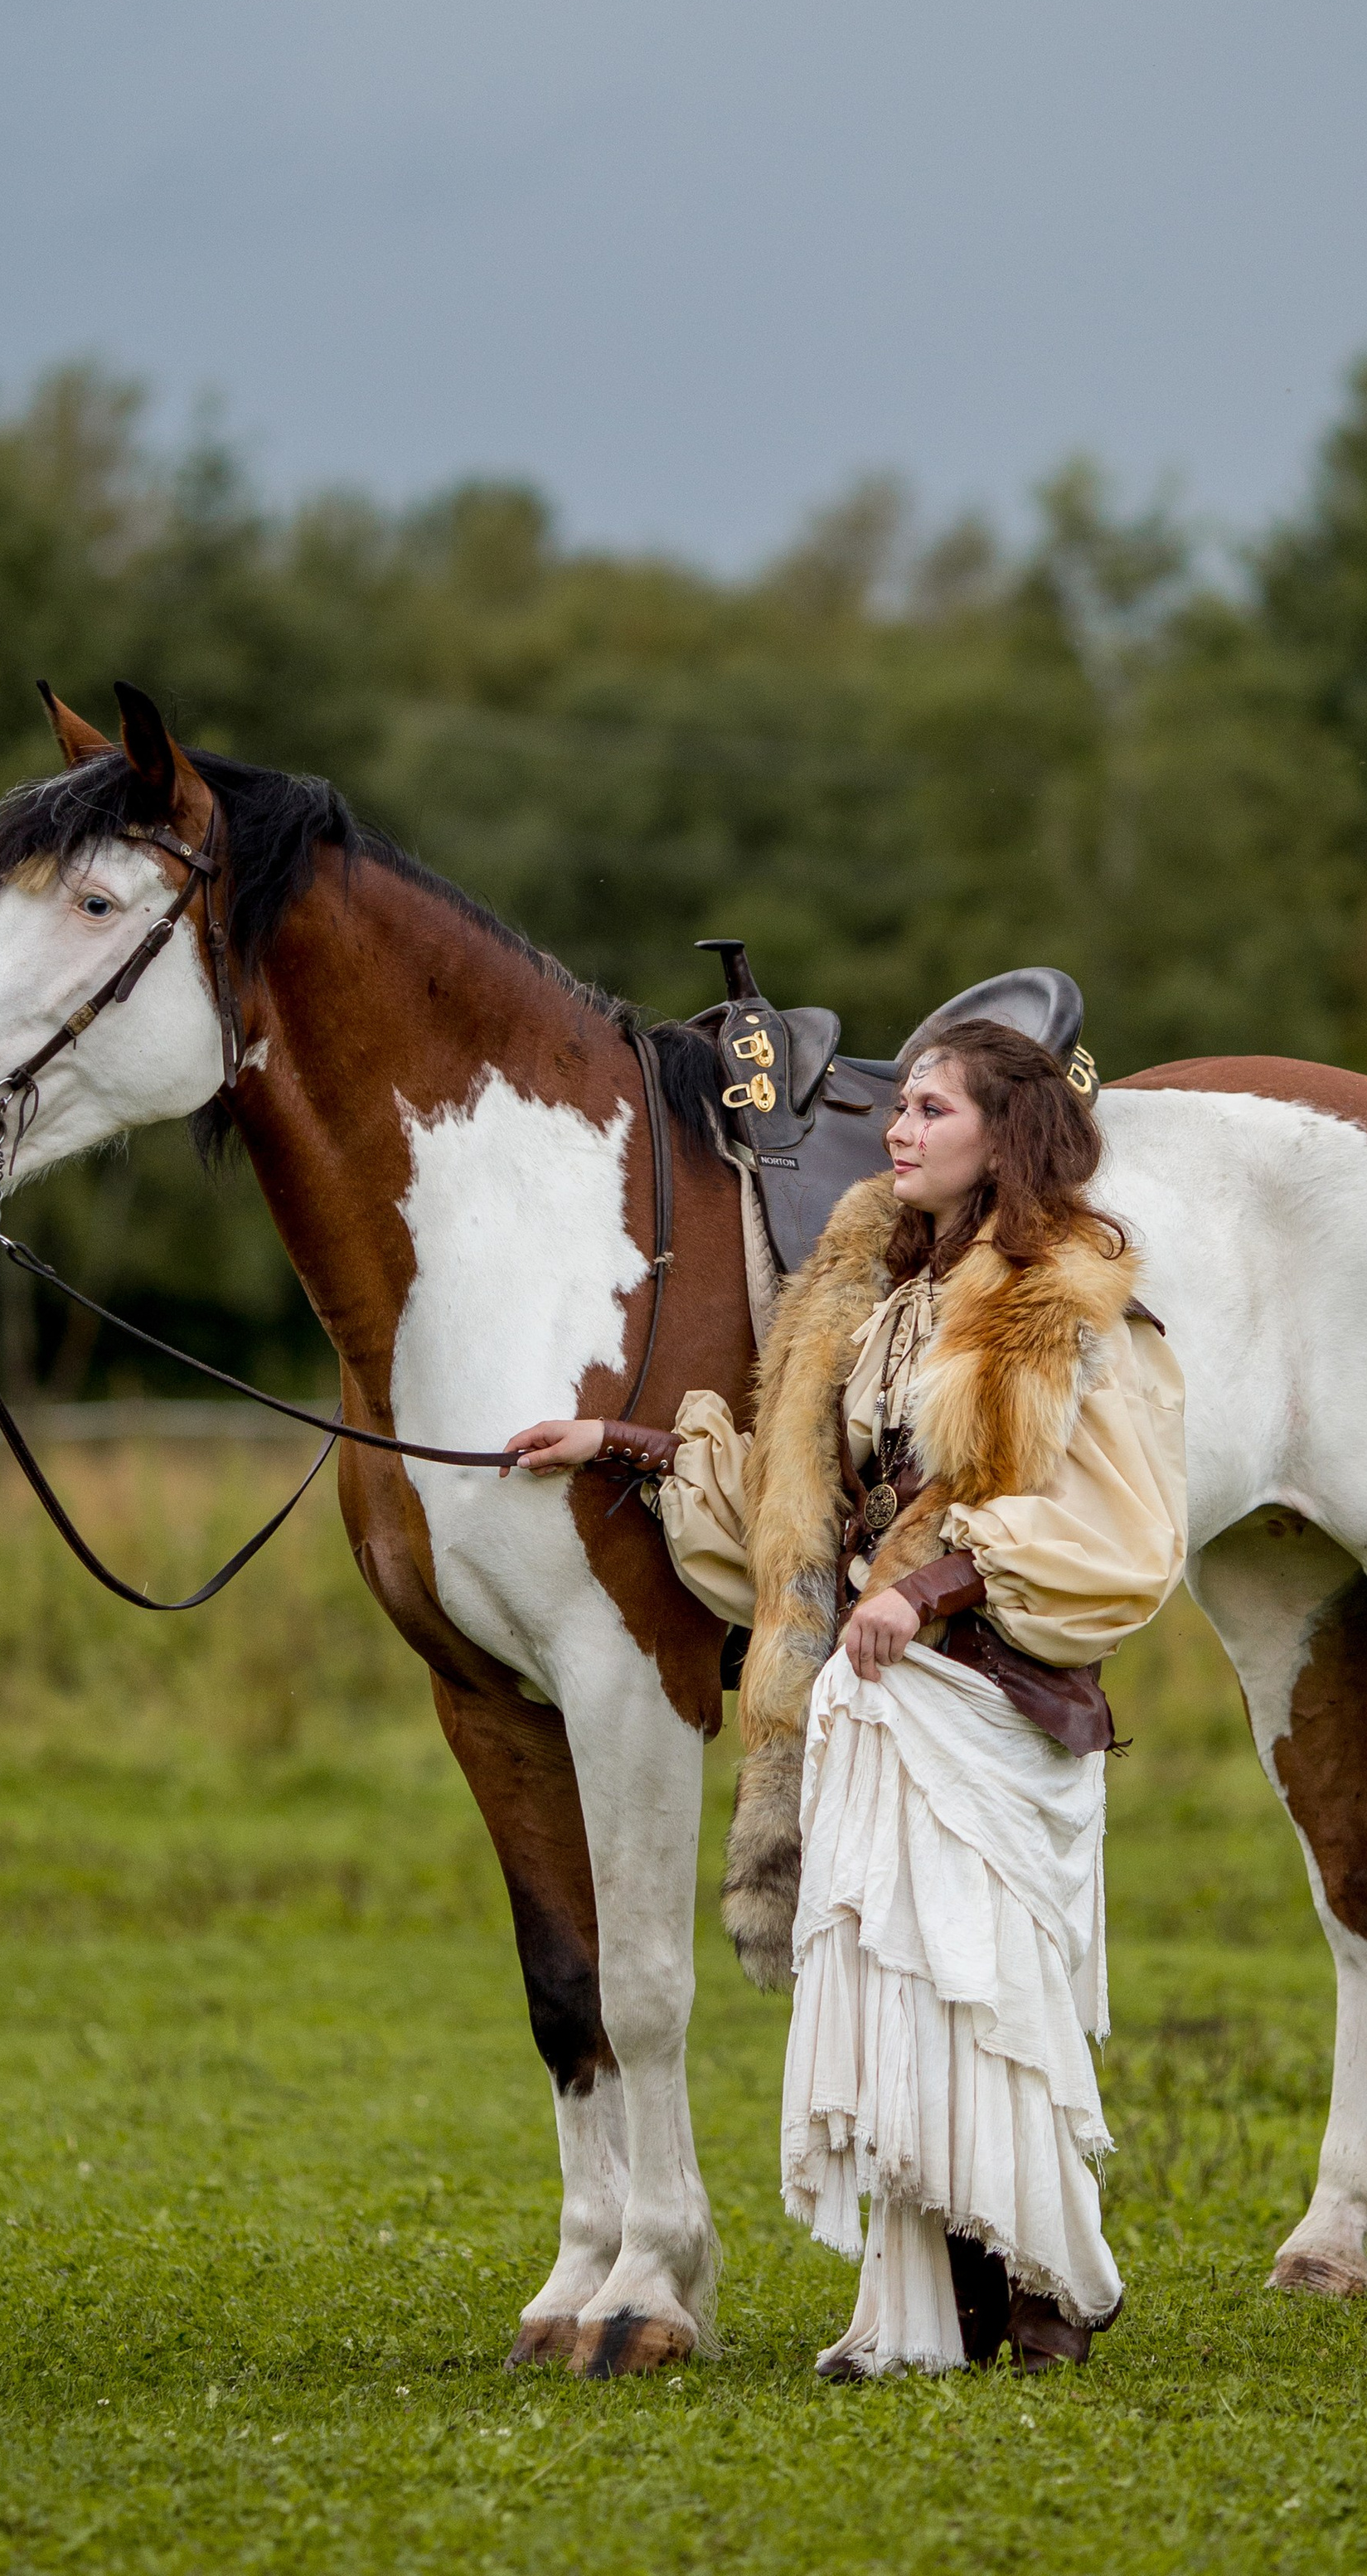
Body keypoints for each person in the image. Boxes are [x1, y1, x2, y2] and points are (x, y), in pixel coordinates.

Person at [502, 1019, 1187, 2378]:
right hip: (868, 1704)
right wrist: (623, 1443)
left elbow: (1120, 1532)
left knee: (986, 1998)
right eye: (905, 1108)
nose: (902, 1128)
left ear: (1007, 1133)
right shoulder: (873, 1297)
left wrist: (923, 1593)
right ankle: (921, 2309)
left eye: (932, 1109)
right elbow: (792, 1495)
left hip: (991, 1696)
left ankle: (1051, 2287)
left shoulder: (1063, 1297)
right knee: (888, 1997)